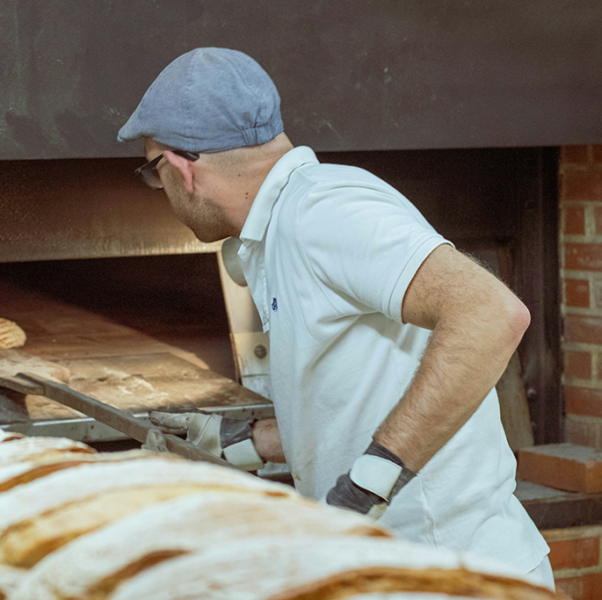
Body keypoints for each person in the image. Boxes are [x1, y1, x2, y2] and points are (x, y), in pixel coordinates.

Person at [117, 47, 553, 587]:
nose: (160, 189)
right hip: (395, 572)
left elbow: (492, 312)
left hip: (451, 575)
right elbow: (360, 391)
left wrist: (368, 485)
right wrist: (241, 441)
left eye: (153, 171)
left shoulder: (323, 211)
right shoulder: (279, 226)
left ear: (182, 169)